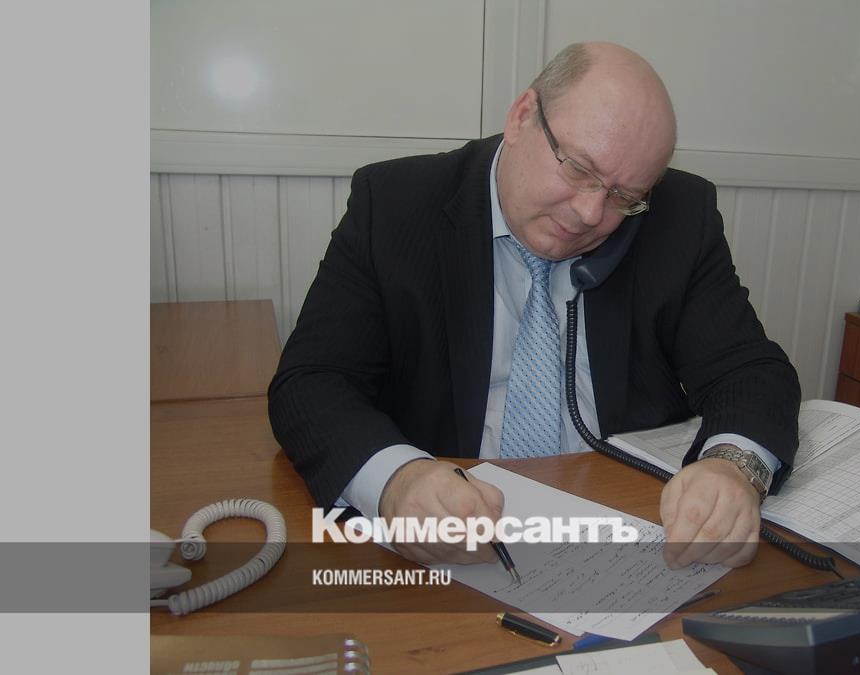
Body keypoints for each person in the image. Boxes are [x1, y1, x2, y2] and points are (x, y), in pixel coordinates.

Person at [268, 42, 801, 570]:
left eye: (623, 196)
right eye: (579, 170)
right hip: (454, 532)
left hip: (631, 525)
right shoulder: (394, 203)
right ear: (523, 116)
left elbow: (750, 370)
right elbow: (312, 380)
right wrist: (395, 480)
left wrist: (734, 467)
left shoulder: (679, 215)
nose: (590, 213)